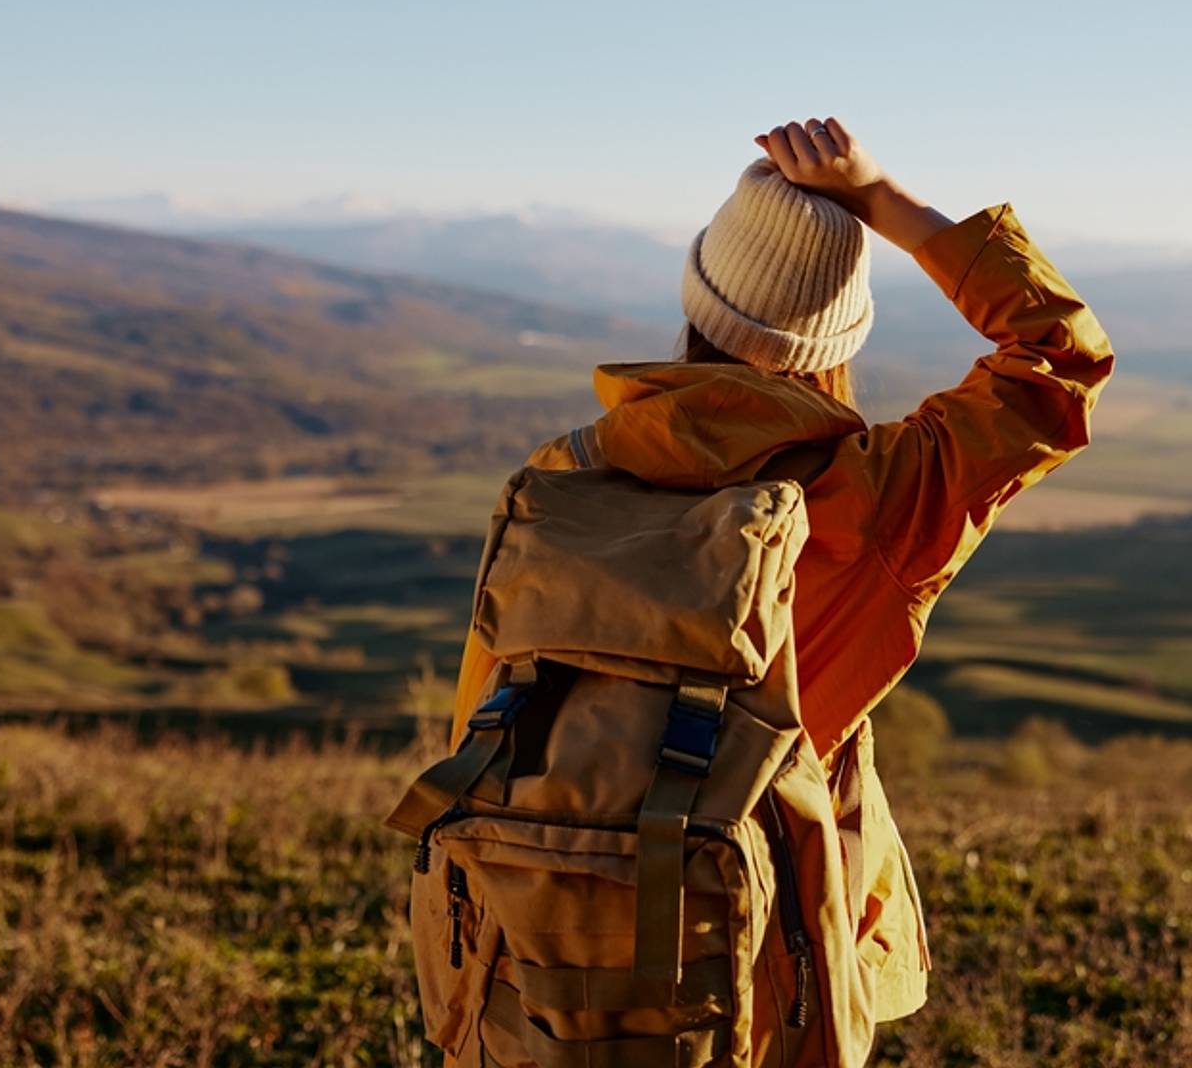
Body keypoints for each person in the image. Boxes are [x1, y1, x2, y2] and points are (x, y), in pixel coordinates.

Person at [442, 116, 1115, 1058]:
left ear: (697, 306)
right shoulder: (877, 499)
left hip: (540, 957)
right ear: (839, 339)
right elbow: (1061, 360)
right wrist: (887, 202)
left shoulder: (560, 478)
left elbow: (478, 722)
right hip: (768, 954)